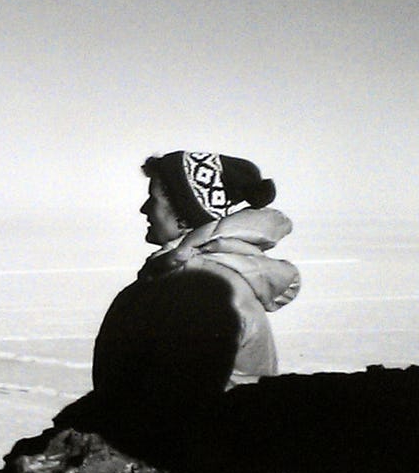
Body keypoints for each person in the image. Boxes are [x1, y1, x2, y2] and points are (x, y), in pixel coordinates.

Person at [91, 151, 300, 404]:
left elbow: (176, 406)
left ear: (182, 214)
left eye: (152, 198)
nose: (144, 208)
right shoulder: (184, 277)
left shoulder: (199, 290)